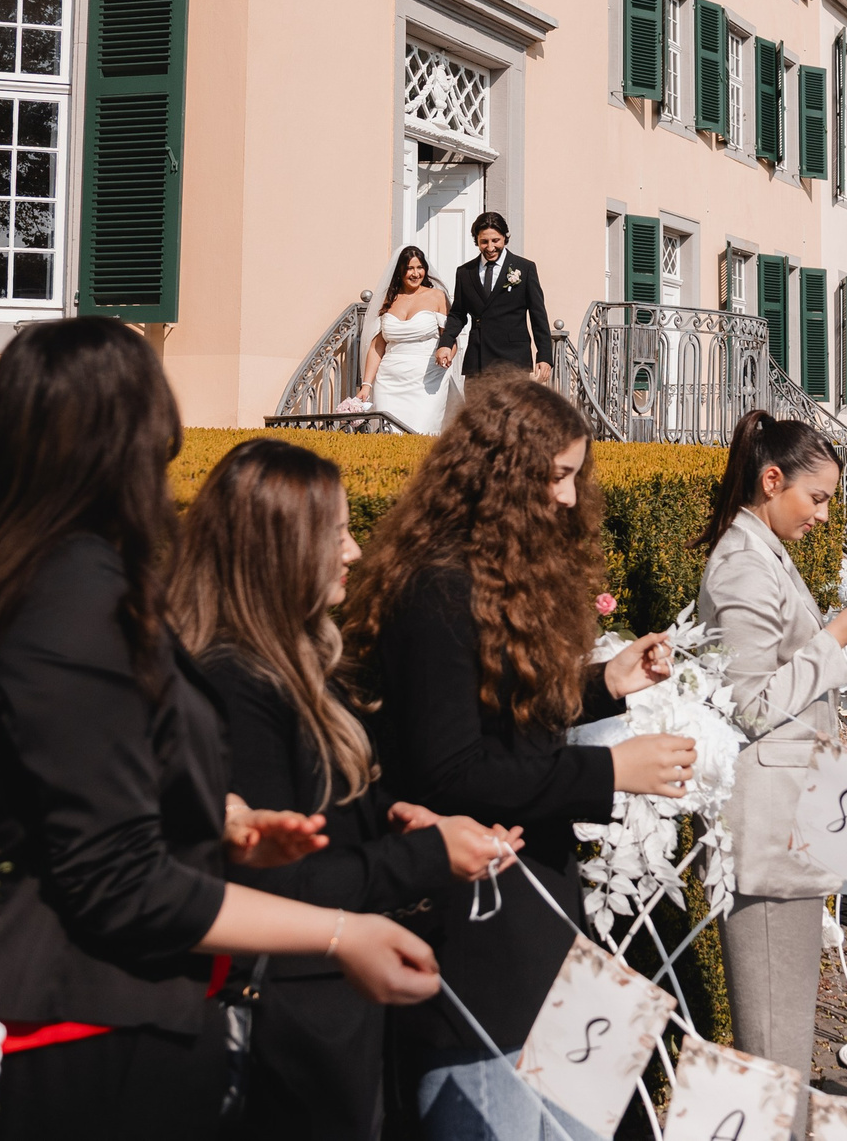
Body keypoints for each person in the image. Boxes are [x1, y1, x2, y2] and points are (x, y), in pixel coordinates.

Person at [0, 320, 440, 1141]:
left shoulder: (14, 579)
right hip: (90, 1043)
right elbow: (116, 877)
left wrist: (216, 821)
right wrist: (341, 932)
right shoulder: (75, 599)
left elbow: (66, 791)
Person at [345, 373, 698, 1139]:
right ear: (502, 476)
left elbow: (505, 713)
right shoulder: (437, 590)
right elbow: (453, 769)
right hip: (481, 929)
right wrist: (608, 770)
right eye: (558, 476)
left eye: (576, 477)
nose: (570, 498)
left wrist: (606, 681)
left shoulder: (489, 578)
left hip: (536, 912)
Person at [172, 437, 525, 1140]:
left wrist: (402, 822)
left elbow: (328, 823)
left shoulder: (295, 662)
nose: (355, 551)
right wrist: (427, 857)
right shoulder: (234, 684)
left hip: (326, 1026)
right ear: (280, 549)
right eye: (335, 533)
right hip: (285, 1045)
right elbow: (281, 884)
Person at [695, 411, 847, 1138]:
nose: (823, 515)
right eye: (817, 498)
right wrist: (836, 637)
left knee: (785, 1053)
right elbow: (750, 704)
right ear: (771, 480)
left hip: (793, 827)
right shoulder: (743, 563)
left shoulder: (762, 553)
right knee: (774, 1059)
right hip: (768, 835)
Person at [434, 213, 552, 383]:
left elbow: (538, 315)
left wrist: (544, 356)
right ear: (477, 241)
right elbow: (458, 314)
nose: (490, 247)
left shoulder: (525, 268)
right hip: (478, 361)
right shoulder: (465, 272)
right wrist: (446, 343)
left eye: (495, 240)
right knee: (476, 410)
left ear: (504, 237)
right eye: (484, 242)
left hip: (513, 360)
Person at [352, 245, 454, 434]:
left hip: (428, 378)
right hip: (389, 380)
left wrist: (448, 355)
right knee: (389, 433)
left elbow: (449, 337)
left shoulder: (437, 296)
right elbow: (377, 346)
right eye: (409, 268)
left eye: (419, 268)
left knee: (422, 431)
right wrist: (366, 385)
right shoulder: (388, 299)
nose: (415, 274)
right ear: (400, 271)